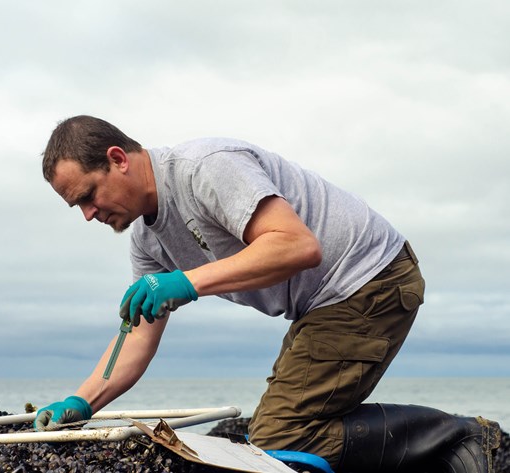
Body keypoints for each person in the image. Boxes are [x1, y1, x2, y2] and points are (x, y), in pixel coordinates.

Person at [32, 115, 499, 473]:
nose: (89, 215)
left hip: (369, 277)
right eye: (78, 207)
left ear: (118, 159)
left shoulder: (204, 168)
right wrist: (83, 402)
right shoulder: (147, 242)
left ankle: (456, 438)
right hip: (322, 303)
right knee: (282, 428)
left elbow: (297, 245)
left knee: (282, 435)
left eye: (89, 196)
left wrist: (188, 282)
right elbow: (136, 340)